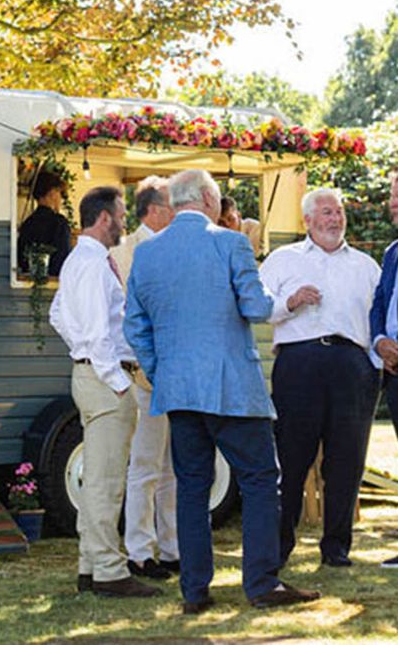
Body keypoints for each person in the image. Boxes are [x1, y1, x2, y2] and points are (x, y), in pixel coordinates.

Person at [124, 168, 320, 614]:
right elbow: (254, 306)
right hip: (232, 385)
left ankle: (195, 592)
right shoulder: (231, 243)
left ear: (175, 205)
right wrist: (283, 299)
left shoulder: (148, 254)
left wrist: (162, 372)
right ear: (210, 200)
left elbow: (134, 325)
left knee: (191, 489)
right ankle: (262, 583)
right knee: (259, 480)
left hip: (177, 391)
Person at [261, 187, 381, 568]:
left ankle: (336, 550)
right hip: (299, 363)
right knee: (292, 458)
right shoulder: (283, 259)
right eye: (326, 212)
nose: (335, 218)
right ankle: (279, 548)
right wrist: (290, 302)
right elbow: (258, 307)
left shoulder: (366, 266)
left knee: (347, 461)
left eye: (339, 212)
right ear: (307, 221)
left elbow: (379, 319)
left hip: (352, 364)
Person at [49, 185, 158, 598]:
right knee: (107, 481)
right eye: (122, 212)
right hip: (105, 378)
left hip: (91, 374)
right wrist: (117, 382)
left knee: (98, 476)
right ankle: (110, 572)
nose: (125, 220)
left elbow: (58, 314)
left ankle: (91, 566)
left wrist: (83, 353)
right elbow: (97, 333)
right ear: (105, 217)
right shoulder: (94, 265)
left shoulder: (81, 259)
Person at [110, 176, 179, 581]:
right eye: (172, 206)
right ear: (155, 210)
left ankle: (171, 548)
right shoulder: (124, 253)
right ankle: (139, 551)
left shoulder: (173, 248)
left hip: (176, 371)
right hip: (144, 372)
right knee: (146, 465)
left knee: (173, 466)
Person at [369, 170, 398, 568]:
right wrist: (380, 342)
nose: (392, 203)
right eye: (392, 195)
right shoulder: (392, 252)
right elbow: (378, 303)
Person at [18, 170, 71, 278]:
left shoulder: (27, 224)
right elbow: (63, 259)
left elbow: (21, 258)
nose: (60, 199)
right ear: (52, 193)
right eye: (59, 193)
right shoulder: (59, 223)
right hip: (54, 283)